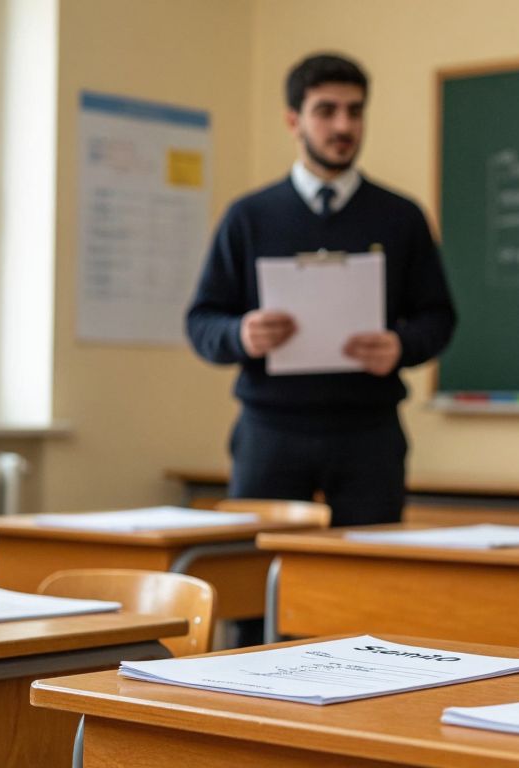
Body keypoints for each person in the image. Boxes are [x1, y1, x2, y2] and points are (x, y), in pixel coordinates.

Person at [187, 53, 455, 527]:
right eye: (326, 110)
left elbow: (439, 317)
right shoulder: (248, 217)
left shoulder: (401, 216)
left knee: (368, 578)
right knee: (252, 574)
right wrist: (241, 335)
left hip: (368, 432)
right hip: (269, 430)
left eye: (355, 111)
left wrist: (400, 345)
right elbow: (202, 320)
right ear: (294, 120)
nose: (343, 125)